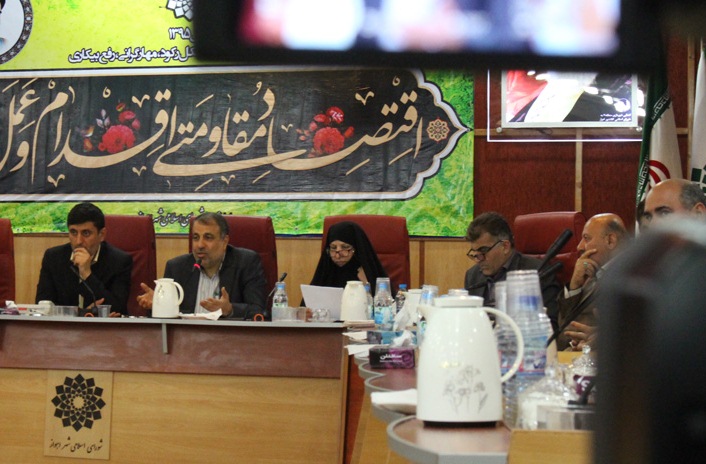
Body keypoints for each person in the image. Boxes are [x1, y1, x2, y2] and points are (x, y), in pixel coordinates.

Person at [137, 212, 267, 319]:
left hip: (229, 339)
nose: (200, 245)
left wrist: (230, 310)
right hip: (186, 339)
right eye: (196, 237)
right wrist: (158, 304)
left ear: (224, 241)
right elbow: (167, 321)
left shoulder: (246, 263)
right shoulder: (177, 268)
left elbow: (259, 312)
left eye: (208, 237)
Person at [35, 202, 132, 316]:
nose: (78, 241)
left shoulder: (120, 261)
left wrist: (87, 274)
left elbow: (117, 309)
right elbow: (43, 306)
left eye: (86, 233)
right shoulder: (53, 258)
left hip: (101, 327)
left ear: (101, 234)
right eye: (73, 232)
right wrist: (83, 313)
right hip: (65, 326)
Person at [464, 212, 562, 323]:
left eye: (483, 250)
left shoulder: (537, 272)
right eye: (474, 252)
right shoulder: (472, 276)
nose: (478, 259)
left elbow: (551, 323)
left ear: (505, 246)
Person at [555, 213, 628, 351]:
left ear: (610, 241)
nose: (580, 246)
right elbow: (563, 326)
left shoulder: (630, 277)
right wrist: (574, 286)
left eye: (586, 238)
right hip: (569, 354)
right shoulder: (592, 272)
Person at [309, 221, 387, 293]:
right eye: (333, 248)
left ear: (356, 248)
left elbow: (384, 300)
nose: (337, 256)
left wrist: (366, 283)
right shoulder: (326, 270)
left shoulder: (366, 271)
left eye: (345, 247)